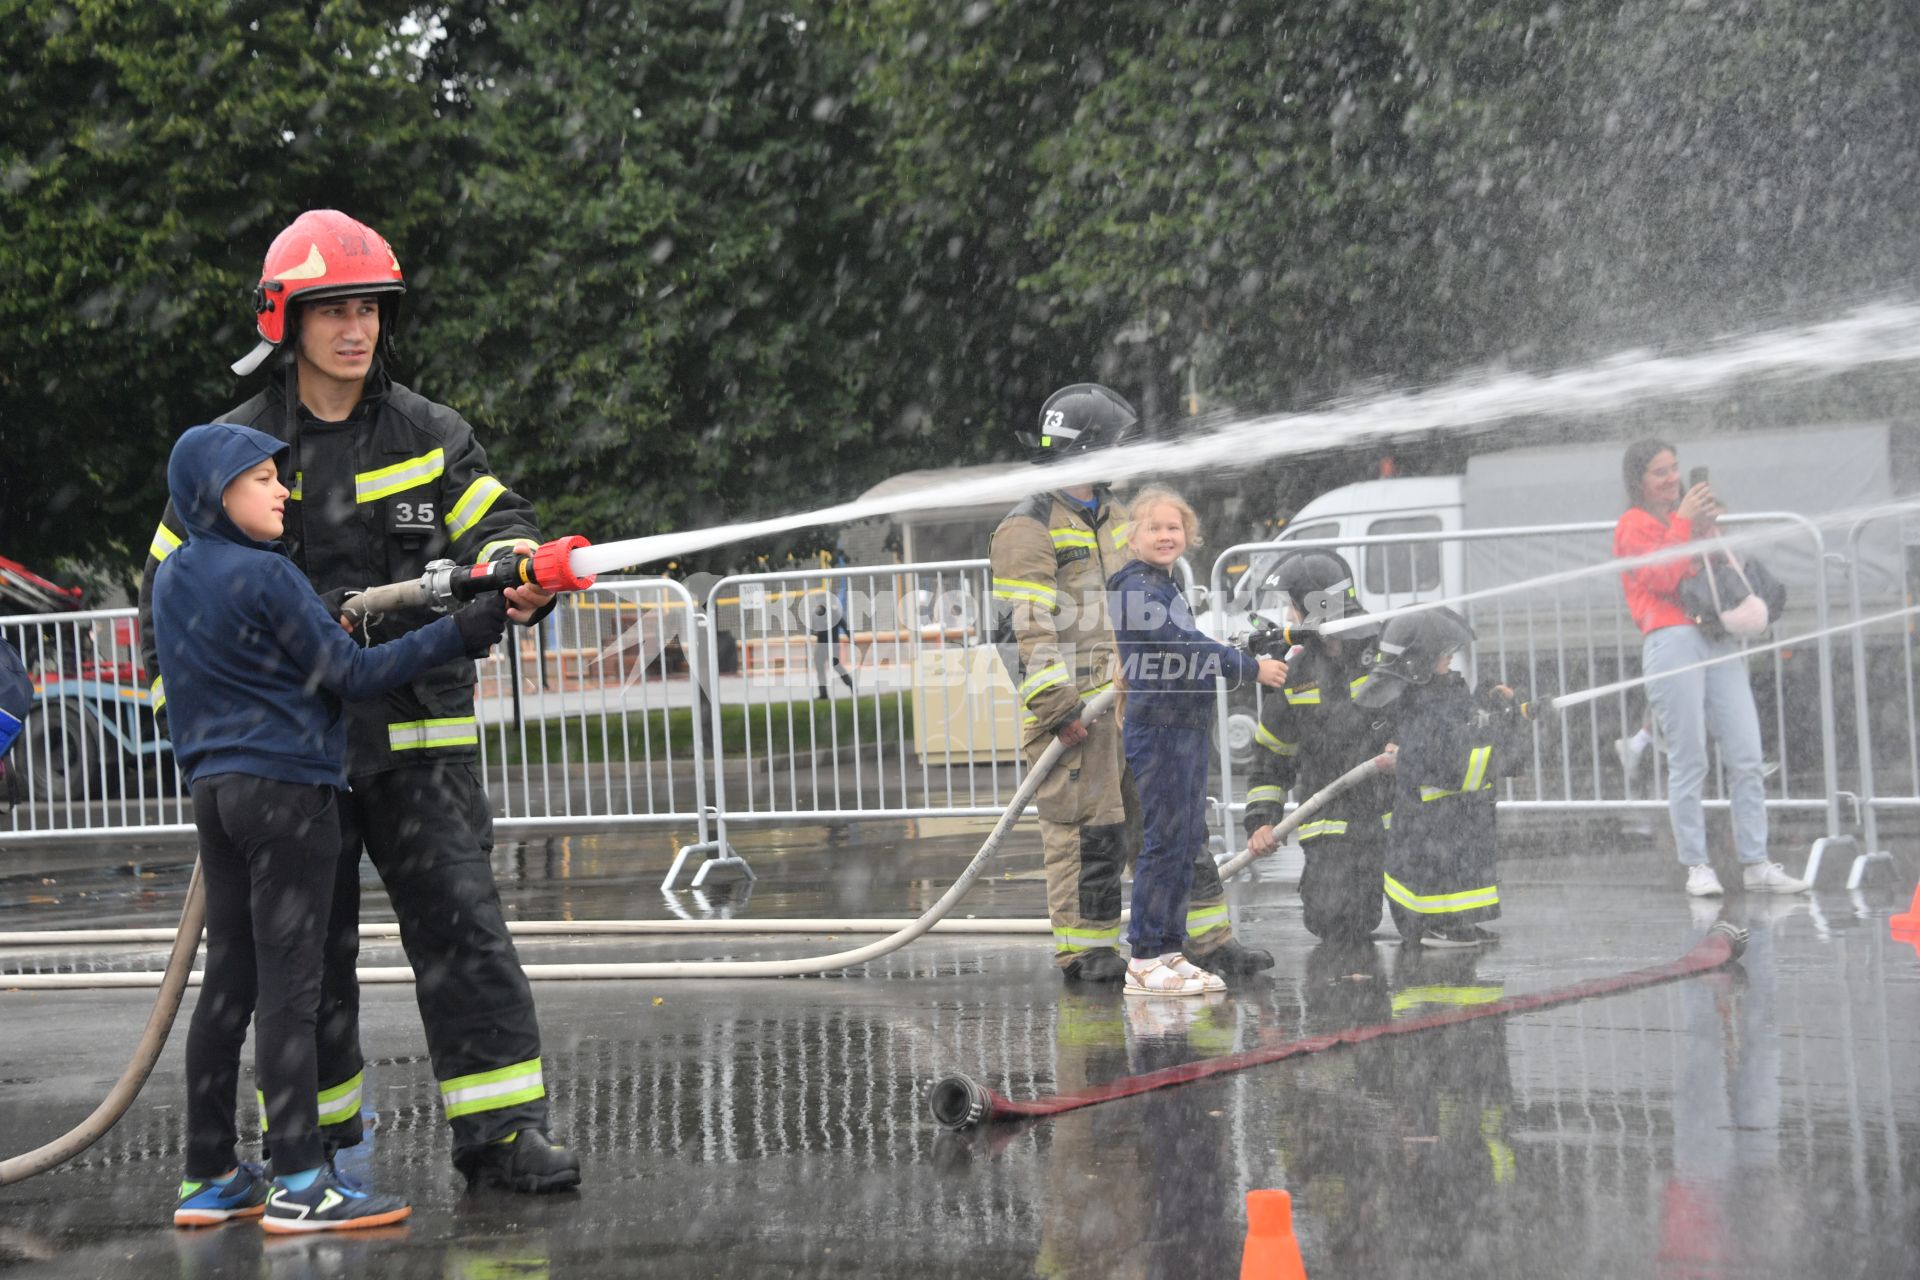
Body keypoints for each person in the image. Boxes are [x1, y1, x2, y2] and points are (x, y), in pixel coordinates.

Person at [138, 210, 582, 1192]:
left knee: (467, 939)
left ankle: (502, 1132)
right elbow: (163, 598)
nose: (357, 327)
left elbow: (498, 523)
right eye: (333, 308)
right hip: (297, 762)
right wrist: (209, 737)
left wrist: (515, 567)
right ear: (285, 321)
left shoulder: (430, 434)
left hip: (423, 750)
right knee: (308, 967)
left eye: (370, 307)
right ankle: (319, 1148)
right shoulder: (230, 453)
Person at [155, 423, 508, 1230]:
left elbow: (254, 656)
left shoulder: (177, 576)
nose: (282, 489)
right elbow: (350, 677)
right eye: (261, 480)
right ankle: (302, 1183)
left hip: (218, 794)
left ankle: (209, 1173)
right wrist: (456, 633)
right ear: (216, 493)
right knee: (293, 991)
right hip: (290, 798)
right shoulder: (269, 574)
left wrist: (314, 626)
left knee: (230, 986)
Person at [1107, 487, 1286, 994]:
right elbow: (1180, 644)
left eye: (1174, 528)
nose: (1166, 536)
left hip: (1183, 727)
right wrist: (1251, 668)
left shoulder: (1161, 585)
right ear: (1132, 536)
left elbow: (1188, 644)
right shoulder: (1134, 587)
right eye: (1154, 528)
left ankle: (1169, 949)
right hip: (1159, 730)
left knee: (1184, 842)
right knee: (1162, 844)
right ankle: (1143, 958)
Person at [1612, 440, 1808, 898]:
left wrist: (1705, 528)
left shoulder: (1685, 521)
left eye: (1674, 469)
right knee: (1689, 758)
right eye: (1659, 471)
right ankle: (1696, 865)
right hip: (1671, 640)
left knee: (1746, 752)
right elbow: (1662, 576)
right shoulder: (1632, 525)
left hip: (1716, 636)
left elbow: (1718, 572)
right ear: (1638, 481)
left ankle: (1756, 861)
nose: (1670, 478)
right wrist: (1683, 522)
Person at [991, 384, 1139, 982]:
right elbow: (1021, 627)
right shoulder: (1027, 526)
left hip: (1129, 699)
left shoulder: (1114, 517)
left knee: (1153, 823)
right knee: (1086, 831)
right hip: (1078, 708)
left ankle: (1186, 942)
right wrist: (1058, 707)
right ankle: (1085, 952)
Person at [1241, 550, 1393, 942]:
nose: (1289, 618)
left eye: (1292, 606)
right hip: (1334, 821)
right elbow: (1271, 756)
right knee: (1331, 920)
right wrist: (1261, 819)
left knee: (1426, 915)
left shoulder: (1386, 656)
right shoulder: (1298, 675)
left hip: (1394, 814)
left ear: (1316, 605)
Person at [1356, 608, 1529, 946]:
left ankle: (1457, 920)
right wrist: (1503, 726)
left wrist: (1491, 707)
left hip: (1453, 822)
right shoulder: (1417, 703)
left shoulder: (1440, 691)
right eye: (1444, 653)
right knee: (1439, 875)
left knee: (1460, 873)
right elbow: (1460, 762)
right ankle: (1435, 925)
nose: (1451, 658)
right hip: (1433, 825)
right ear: (1418, 661)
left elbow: (1463, 731)